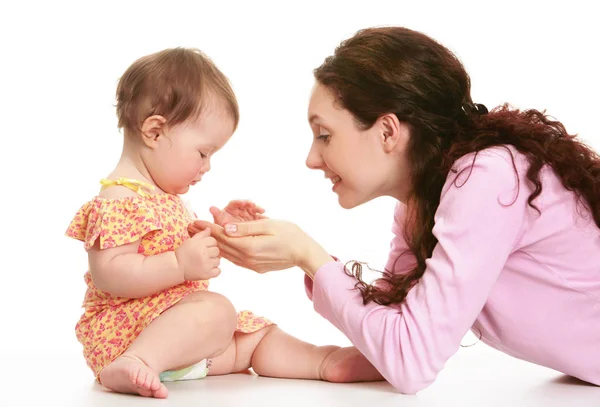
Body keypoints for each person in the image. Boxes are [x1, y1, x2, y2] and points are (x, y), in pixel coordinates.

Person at [190, 27, 600, 394]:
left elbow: (410, 363)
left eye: (325, 135)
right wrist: (295, 256)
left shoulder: (488, 177)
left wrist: (307, 255)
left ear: (388, 131)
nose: (312, 159)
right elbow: (390, 340)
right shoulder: (420, 208)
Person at [65, 47, 382, 399]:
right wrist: (179, 264)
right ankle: (135, 362)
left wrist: (222, 230)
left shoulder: (161, 197)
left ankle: (324, 362)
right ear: (155, 132)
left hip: (185, 337)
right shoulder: (118, 199)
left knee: (252, 335)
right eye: (203, 152)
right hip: (128, 335)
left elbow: (167, 246)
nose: (207, 166)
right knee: (218, 312)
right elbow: (110, 274)